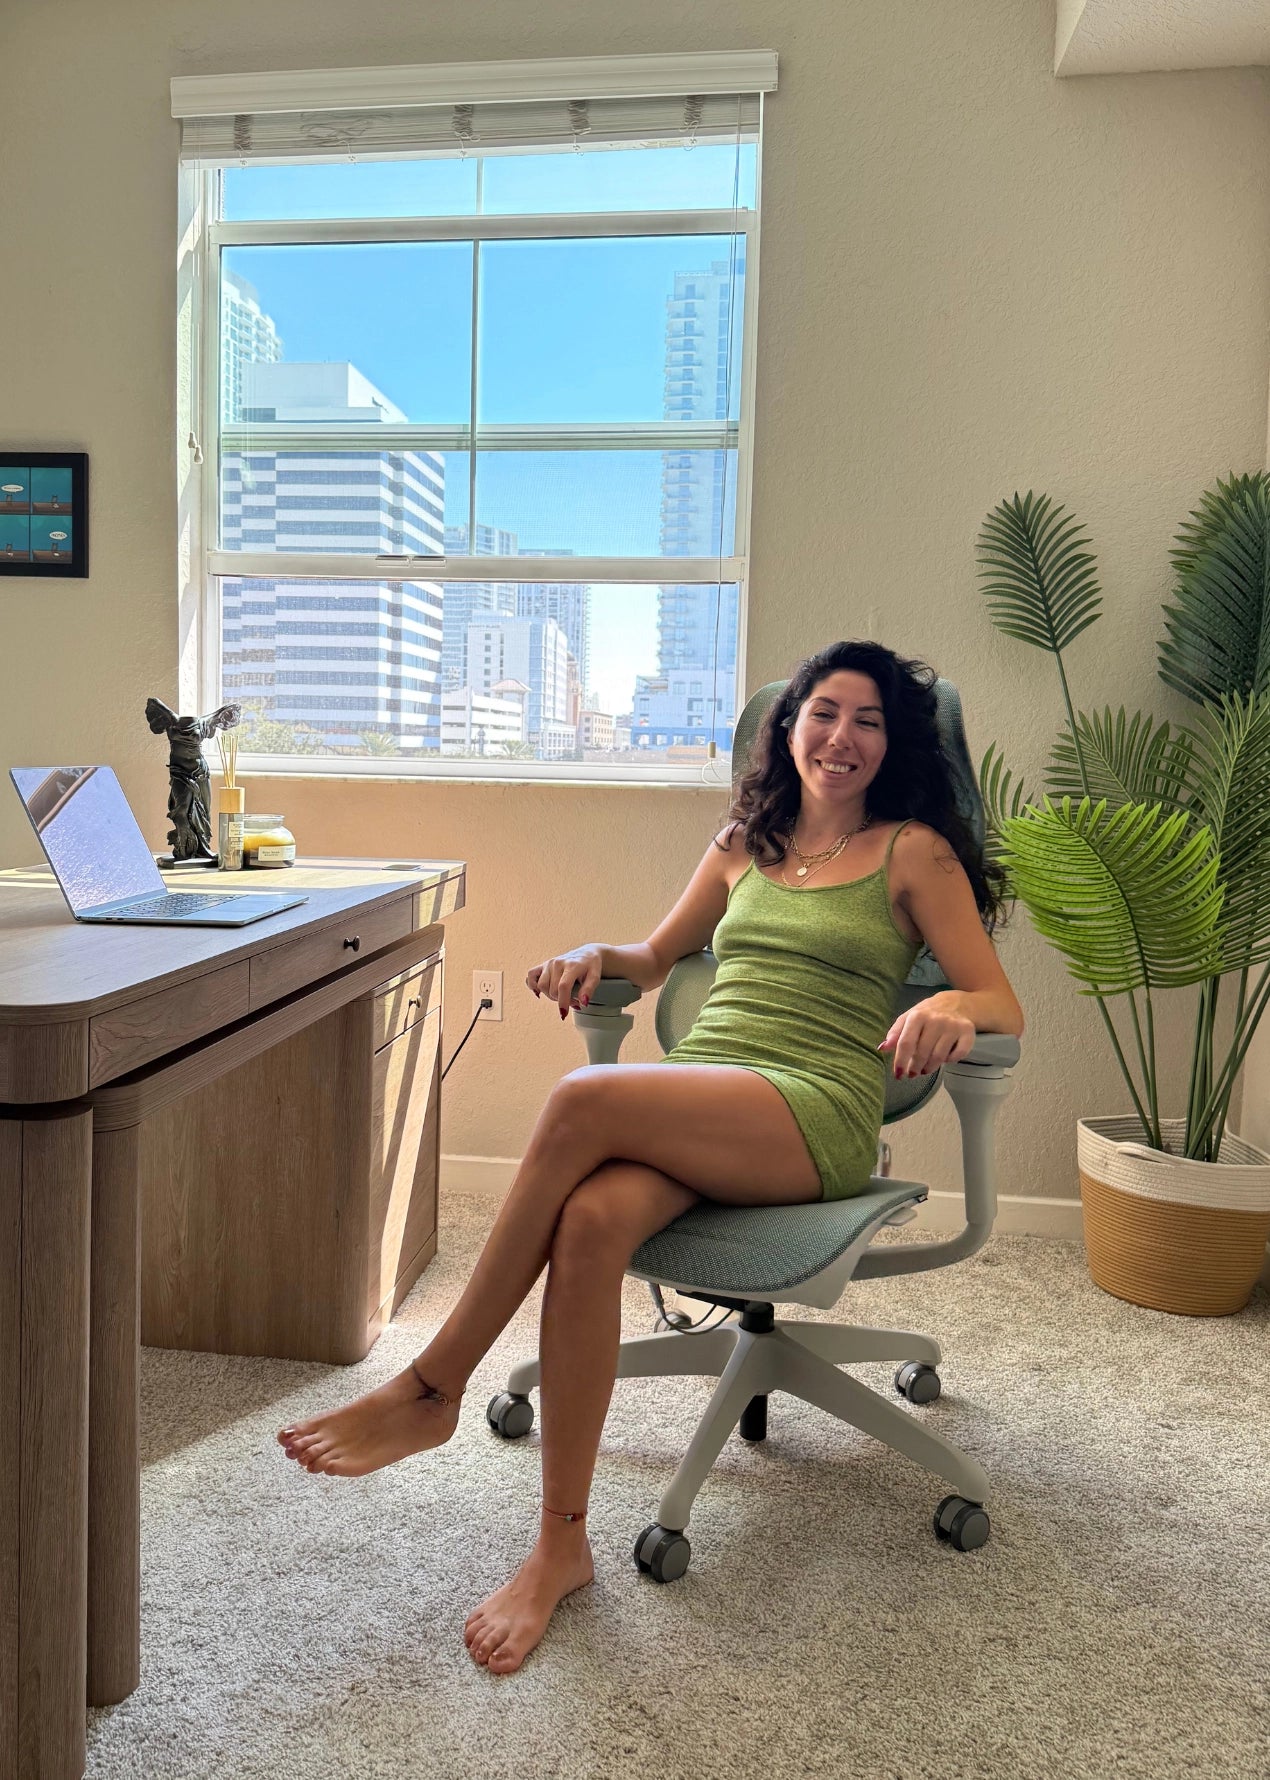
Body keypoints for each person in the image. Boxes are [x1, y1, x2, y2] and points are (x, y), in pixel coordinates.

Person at [278, 639, 1025, 1674]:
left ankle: (433, 1385)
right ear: (787, 726)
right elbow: (654, 955)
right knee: (586, 1225)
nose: (840, 736)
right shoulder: (743, 840)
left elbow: (998, 999)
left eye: (867, 720)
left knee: (584, 1098)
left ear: (889, 745)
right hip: (712, 1090)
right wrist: (597, 955)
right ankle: (559, 1547)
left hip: (815, 1108)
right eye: (822, 713)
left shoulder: (913, 853)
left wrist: (947, 997)